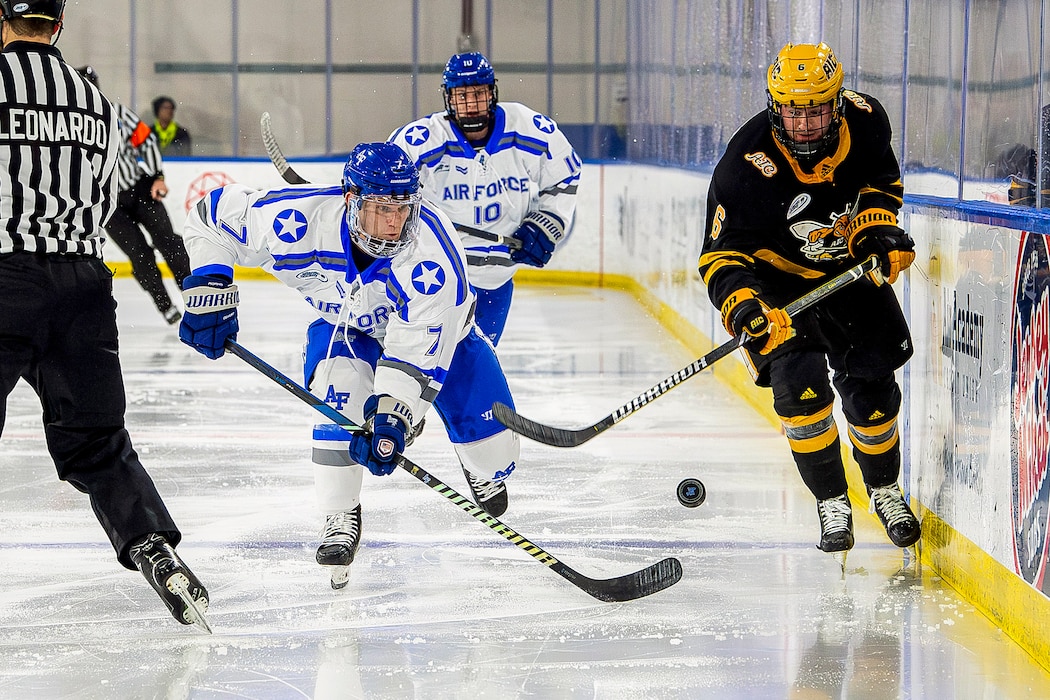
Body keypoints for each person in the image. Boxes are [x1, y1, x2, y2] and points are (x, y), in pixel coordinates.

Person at [178, 142, 521, 585]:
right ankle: (340, 514)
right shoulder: (297, 221)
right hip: (348, 332)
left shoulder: (433, 256)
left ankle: (483, 471)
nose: (395, 223)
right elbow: (211, 215)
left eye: (403, 209)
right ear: (351, 201)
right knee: (340, 403)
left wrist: (395, 416)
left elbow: (420, 349)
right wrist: (210, 284)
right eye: (381, 209)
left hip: (445, 340)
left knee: (494, 455)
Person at [0, 0, 208, 628]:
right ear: (57, 26)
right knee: (97, 442)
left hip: (3, 279)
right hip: (82, 288)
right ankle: (152, 547)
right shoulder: (104, 109)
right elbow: (131, 184)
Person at [697, 42, 921, 556]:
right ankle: (832, 501)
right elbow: (719, 258)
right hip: (776, 288)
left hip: (847, 275)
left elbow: (881, 184)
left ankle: (884, 490)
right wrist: (747, 309)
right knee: (800, 399)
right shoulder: (743, 167)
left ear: (837, 103)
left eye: (817, 109)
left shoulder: (865, 123)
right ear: (776, 107)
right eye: (794, 111)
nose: (804, 124)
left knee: (871, 393)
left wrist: (874, 235)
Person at [388, 51, 581, 346]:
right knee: (424, 359)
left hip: (496, 279)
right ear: (448, 98)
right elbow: (386, 189)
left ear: (492, 93)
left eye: (478, 93)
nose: (471, 104)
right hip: (436, 274)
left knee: (477, 361)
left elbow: (565, 176)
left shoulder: (528, 129)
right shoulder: (421, 141)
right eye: (462, 96)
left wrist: (546, 223)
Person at [76, 66, 191, 325]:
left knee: (168, 241)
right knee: (139, 255)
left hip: (139, 188)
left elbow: (146, 142)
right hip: (108, 204)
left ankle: (191, 292)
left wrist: (157, 176)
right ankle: (165, 305)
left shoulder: (115, 113)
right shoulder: (70, 122)